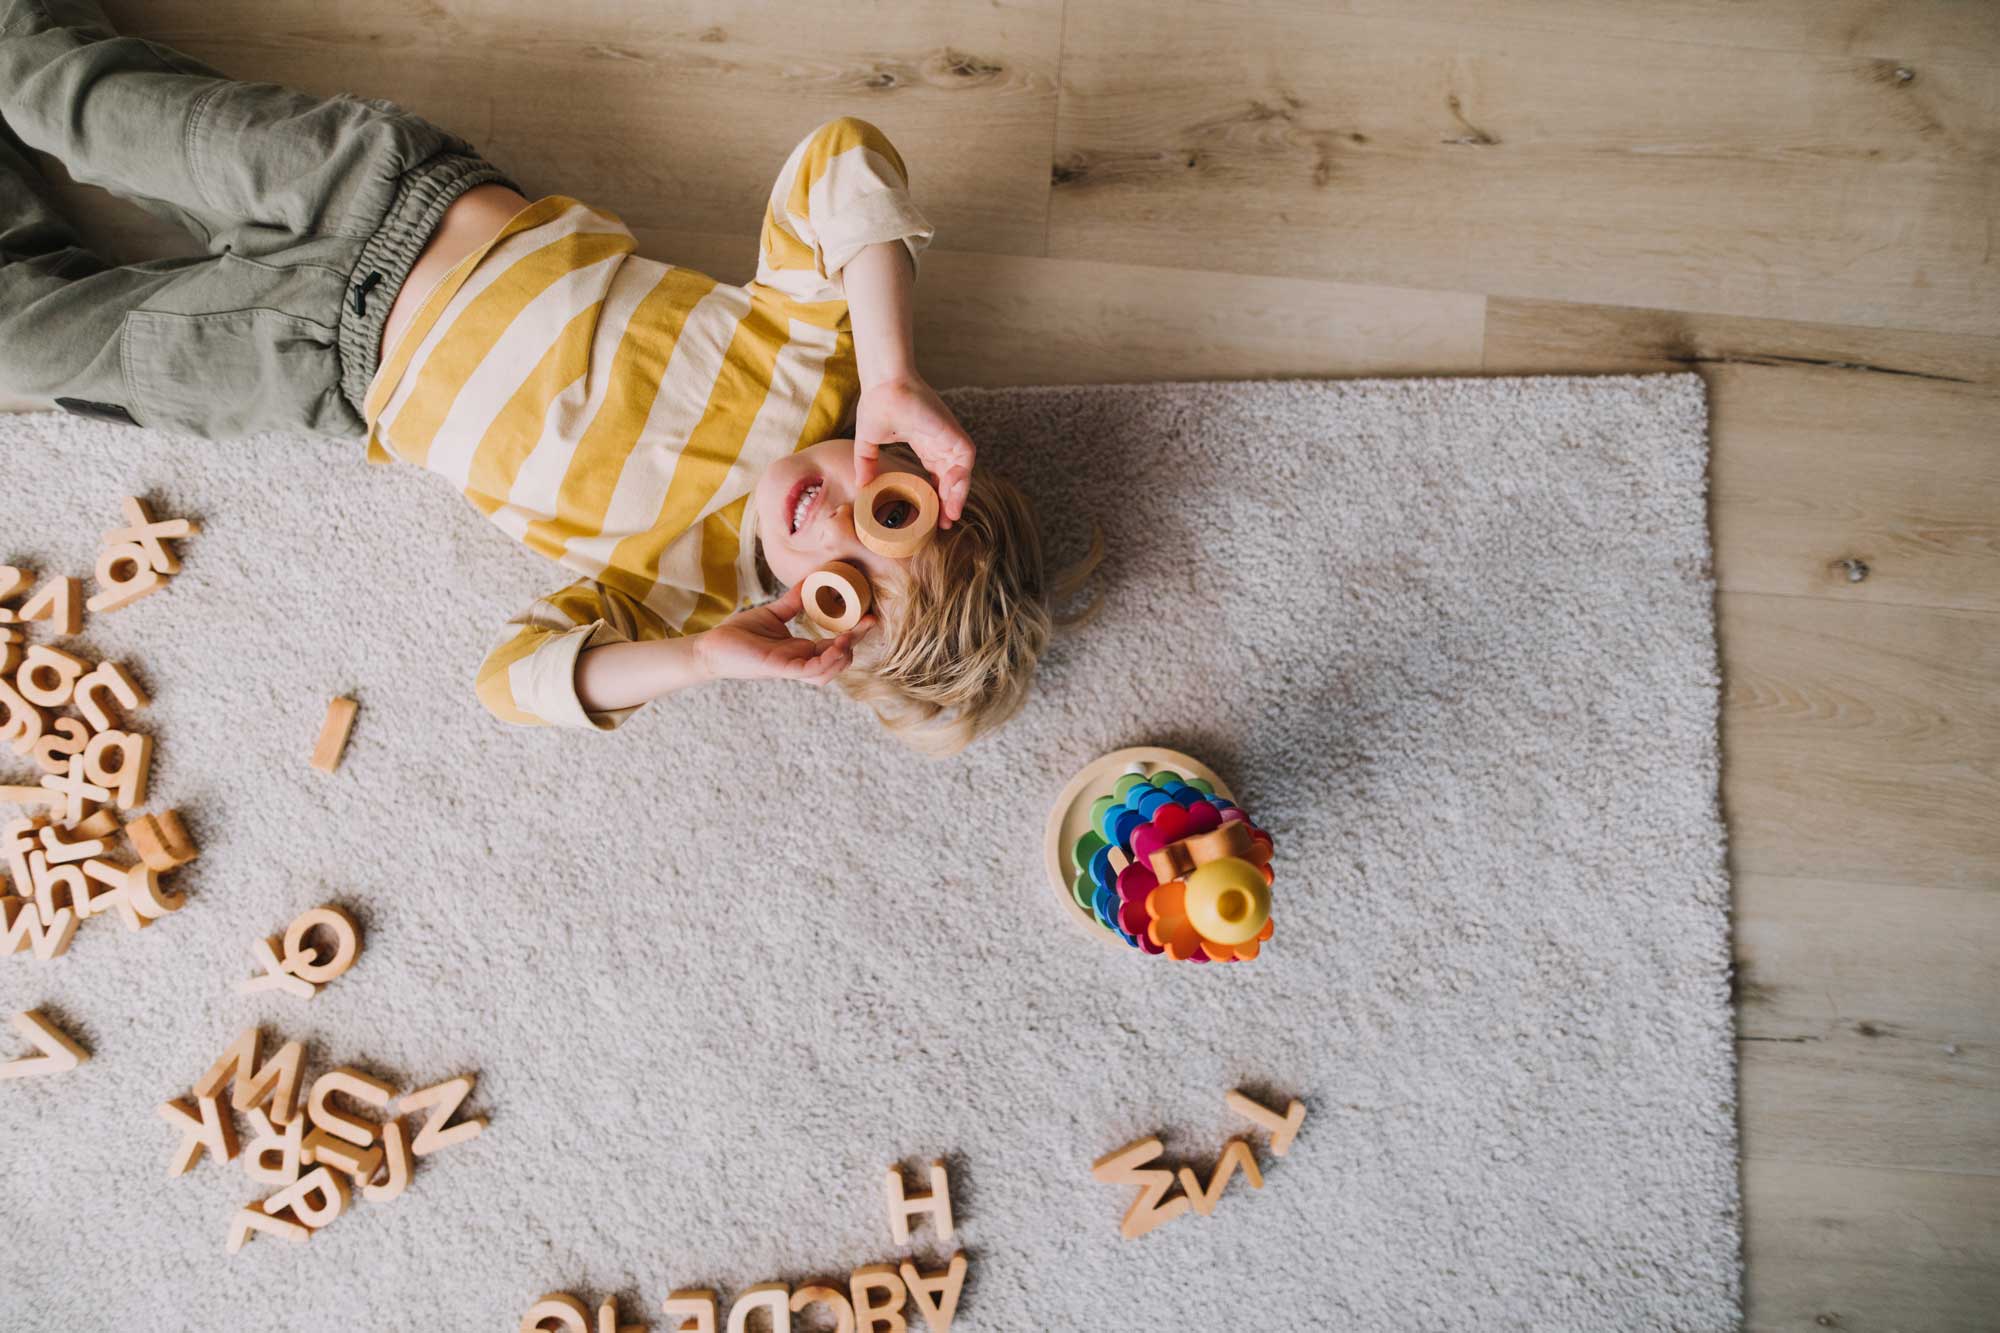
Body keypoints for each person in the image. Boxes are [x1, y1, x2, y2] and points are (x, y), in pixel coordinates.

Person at [0, 0, 1095, 753]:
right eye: (889, 511)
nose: (833, 519)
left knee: (24, 339)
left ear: (814, 623)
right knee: (65, 96)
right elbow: (843, 156)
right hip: (382, 198)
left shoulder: (672, 592)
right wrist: (894, 367)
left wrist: (697, 663)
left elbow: (513, 681)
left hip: (308, 362)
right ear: (914, 467)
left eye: (841, 577)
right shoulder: (820, 359)